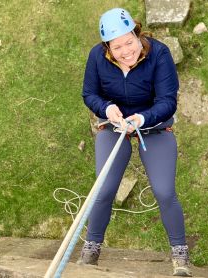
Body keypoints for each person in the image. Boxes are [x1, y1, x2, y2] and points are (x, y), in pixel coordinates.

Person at [79, 7, 192, 277]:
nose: (125, 51)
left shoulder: (159, 54)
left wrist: (142, 118)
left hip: (152, 127)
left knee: (165, 191)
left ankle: (180, 254)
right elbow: (89, 93)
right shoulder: (97, 57)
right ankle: (91, 249)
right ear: (108, 47)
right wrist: (106, 109)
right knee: (104, 188)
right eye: (117, 47)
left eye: (129, 42)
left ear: (136, 33)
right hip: (113, 126)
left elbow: (167, 101)